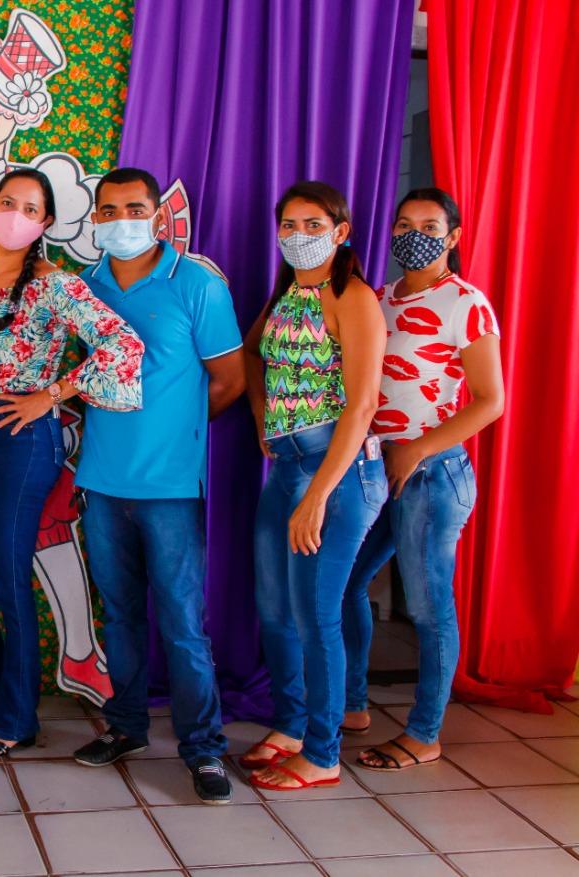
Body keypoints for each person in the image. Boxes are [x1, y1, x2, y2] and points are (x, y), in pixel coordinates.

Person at [0, 168, 144, 758]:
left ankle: (16, 718)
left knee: (8, 580)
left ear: (46, 223)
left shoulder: (55, 284)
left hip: (24, 442)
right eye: (6, 202)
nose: (15, 214)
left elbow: (123, 344)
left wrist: (51, 394)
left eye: (29, 207)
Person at [69, 168, 245, 802]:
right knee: (119, 616)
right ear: (95, 218)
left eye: (133, 208)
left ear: (157, 215)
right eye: (108, 209)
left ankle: (203, 749)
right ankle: (127, 727)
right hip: (102, 483)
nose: (121, 220)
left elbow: (228, 380)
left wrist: (177, 433)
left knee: (181, 621)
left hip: (170, 487)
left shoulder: (197, 284)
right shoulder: (83, 289)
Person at [341, 189, 503, 771]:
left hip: (432, 474)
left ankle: (424, 732)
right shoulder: (376, 300)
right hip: (375, 467)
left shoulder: (466, 303)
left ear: (452, 238)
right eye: (404, 223)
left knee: (431, 607)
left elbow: (490, 402)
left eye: (430, 226)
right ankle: (353, 704)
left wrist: (416, 452)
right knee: (345, 585)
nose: (415, 233)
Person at [241, 181, 387, 791]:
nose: (298, 236)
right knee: (275, 611)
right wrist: (260, 418)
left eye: (312, 224)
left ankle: (323, 753)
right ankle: (293, 725)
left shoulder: (351, 297)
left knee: (316, 617)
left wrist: (318, 497)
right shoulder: (288, 294)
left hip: (338, 472)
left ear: (340, 231)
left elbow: (361, 407)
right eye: (289, 225)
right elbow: (252, 353)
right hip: (288, 465)